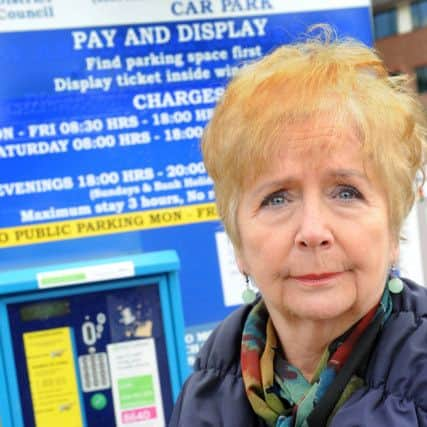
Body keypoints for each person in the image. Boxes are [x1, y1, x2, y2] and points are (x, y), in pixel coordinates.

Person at [169, 26, 427, 427]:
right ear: (238, 243)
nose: (312, 230)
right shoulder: (205, 390)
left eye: (346, 192)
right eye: (277, 198)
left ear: (393, 231)